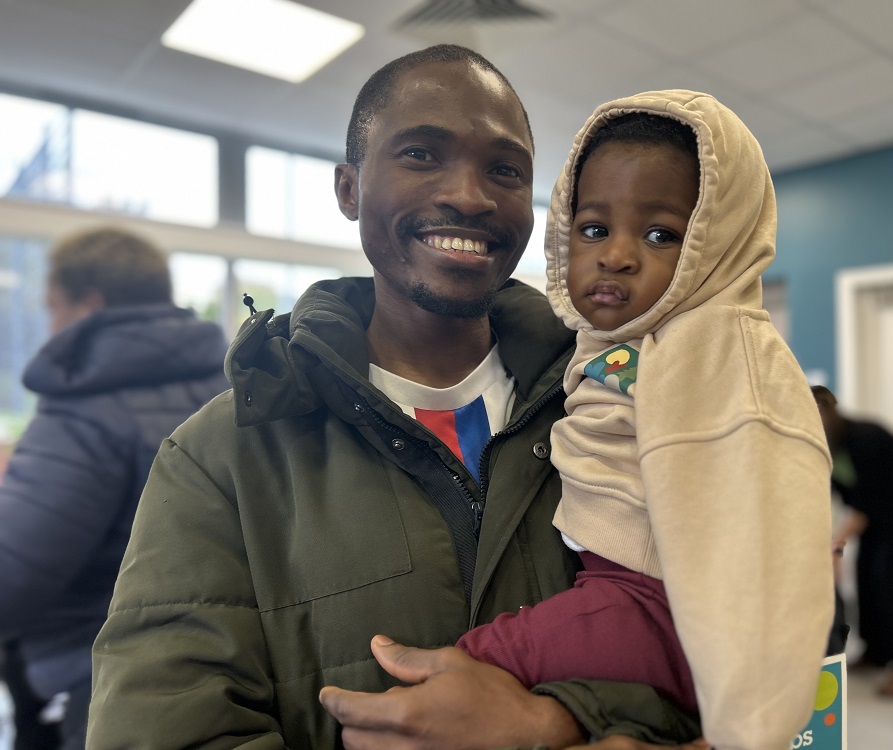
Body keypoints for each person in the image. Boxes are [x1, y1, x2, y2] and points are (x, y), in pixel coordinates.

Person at [87, 45, 707, 750]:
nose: (470, 195)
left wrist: (550, 723)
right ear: (349, 190)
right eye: (421, 154)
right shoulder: (221, 456)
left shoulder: (619, 410)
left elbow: (735, 652)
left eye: (504, 170)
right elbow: (160, 729)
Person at [445, 92, 836, 749]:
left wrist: (750, 732)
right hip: (612, 583)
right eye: (594, 228)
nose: (617, 255)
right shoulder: (616, 341)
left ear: (718, 242)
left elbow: (772, 526)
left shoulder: (719, 342)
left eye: (661, 235)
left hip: (656, 601)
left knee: (474, 661)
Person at [0, 226, 230, 749]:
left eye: (53, 306)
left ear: (89, 305)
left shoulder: (85, 412)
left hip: (93, 680)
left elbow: (11, 579)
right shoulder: (226, 388)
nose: (50, 324)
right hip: (214, 668)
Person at [812, 384, 893, 697]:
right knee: (866, 577)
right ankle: (875, 653)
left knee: (886, 580)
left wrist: (835, 549)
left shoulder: (864, 438)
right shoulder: (829, 450)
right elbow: (842, 502)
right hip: (879, 516)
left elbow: (863, 507)